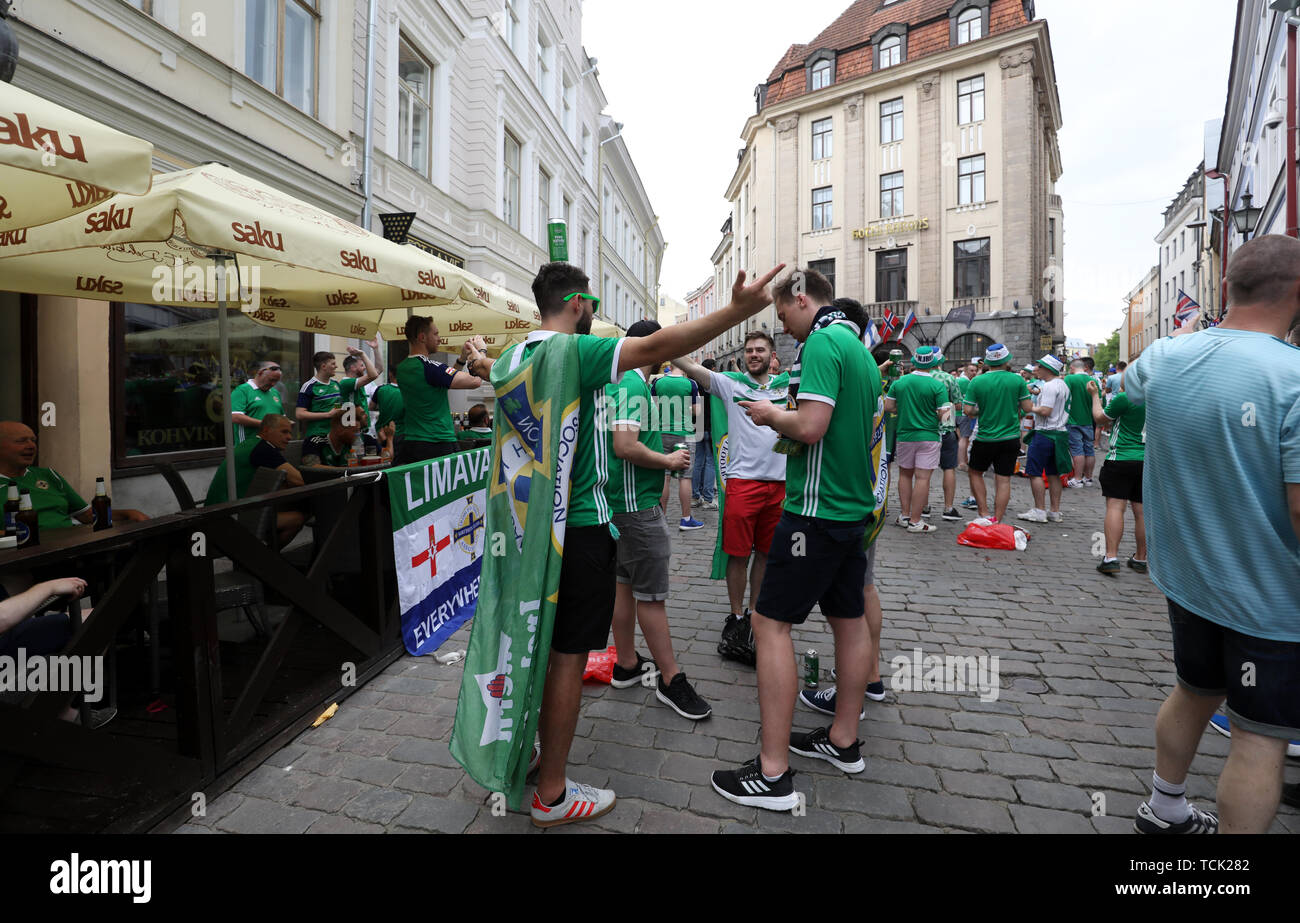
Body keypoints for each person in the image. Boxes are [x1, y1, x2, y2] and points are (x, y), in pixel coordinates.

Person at [459, 260, 785, 828]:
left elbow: (491, 371)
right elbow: (661, 341)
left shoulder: (515, 358)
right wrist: (737, 310)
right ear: (580, 303)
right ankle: (554, 794)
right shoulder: (574, 352)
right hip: (580, 529)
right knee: (567, 658)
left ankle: (525, 754)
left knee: (531, 644)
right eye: (592, 305)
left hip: (523, 529)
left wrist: (481, 356)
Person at [1125, 234, 1300, 835]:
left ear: (1227, 287)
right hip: (1272, 598)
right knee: (1259, 738)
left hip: (1190, 581)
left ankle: (1165, 804)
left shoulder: (1166, 358)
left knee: (1195, 690)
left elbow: (1127, 388)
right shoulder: (1293, 378)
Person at [710, 267, 880, 810]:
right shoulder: (857, 346)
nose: (784, 327)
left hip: (813, 511)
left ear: (801, 298)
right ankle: (843, 741)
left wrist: (768, 415)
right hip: (852, 511)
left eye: (782, 315)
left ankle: (773, 773)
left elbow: (810, 427)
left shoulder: (824, 344)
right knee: (849, 622)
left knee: (769, 623)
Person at [605, 320, 711, 720]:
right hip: (636, 506)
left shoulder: (619, 381)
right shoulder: (632, 385)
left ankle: (627, 665)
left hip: (619, 503)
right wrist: (667, 460)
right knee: (651, 596)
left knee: (623, 585)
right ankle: (671, 680)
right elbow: (625, 445)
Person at [673, 332, 788, 667]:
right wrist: (662, 342)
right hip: (742, 483)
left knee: (766, 553)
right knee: (737, 554)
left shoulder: (786, 387)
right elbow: (691, 367)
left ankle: (755, 611)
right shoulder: (731, 384)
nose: (754, 355)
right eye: (750, 350)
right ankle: (736, 615)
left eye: (760, 350)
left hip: (780, 485)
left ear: (772, 355)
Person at [0, 422, 148, 528]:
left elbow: (86, 515)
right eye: (21, 441)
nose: (31, 446)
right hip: (24, 554)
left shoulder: (48, 475)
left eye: (33, 440)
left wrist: (128, 513)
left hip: (70, 544)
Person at [393, 316, 484, 465]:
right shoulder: (429, 367)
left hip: (411, 442)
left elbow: (442, 382)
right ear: (422, 337)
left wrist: (461, 359)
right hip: (438, 442)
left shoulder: (402, 368)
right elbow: (476, 381)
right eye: (435, 334)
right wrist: (480, 351)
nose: (439, 339)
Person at [204, 414, 306, 546]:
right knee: (297, 519)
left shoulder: (250, 443)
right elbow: (299, 481)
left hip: (215, 512)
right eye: (284, 432)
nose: (289, 437)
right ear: (266, 430)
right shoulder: (264, 449)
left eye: (290, 433)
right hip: (229, 517)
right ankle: (267, 559)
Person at [961, 345, 1032, 523]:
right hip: (1010, 438)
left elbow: (968, 410)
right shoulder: (1018, 381)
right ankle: (997, 519)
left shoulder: (977, 381)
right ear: (1006, 360)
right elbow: (1027, 409)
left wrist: (982, 411)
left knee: (975, 473)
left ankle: (983, 513)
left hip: (985, 437)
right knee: (1003, 479)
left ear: (988, 361)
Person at [884, 346, 949, 533]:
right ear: (933, 363)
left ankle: (904, 516)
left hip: (904, 434)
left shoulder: (900, 382)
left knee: (904, 475)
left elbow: (888, 406)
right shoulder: (937, 385)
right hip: (928, 435)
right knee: (923, 478)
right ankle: (916, 520)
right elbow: (944, 415)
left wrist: (903, 410)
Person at [1087, 378, 1146, 575]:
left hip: (1121, 456)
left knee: (1115, 506)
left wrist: (1095, 395)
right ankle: (1140, 558)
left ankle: (1111, 557)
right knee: (1142, 512)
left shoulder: (1126, 397)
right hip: (1148, 459)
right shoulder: (1160, 397)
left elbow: (1099, 418)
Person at [1018, 355, 1070, 523]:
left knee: (1034, 472)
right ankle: (1054, 511)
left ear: (1048, 369)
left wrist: (1030, 407)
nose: (1036, 370)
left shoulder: (1049, 386)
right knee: (1054, 474)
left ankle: (1039, 511)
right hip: (1059, 433)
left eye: (1039, 367)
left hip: (1045, 433)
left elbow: (1046, 410)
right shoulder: (1062, 384)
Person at [653, 363, 703, 530]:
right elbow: (697, 412)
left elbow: (652, 408)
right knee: (685, 477)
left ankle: (662, 518)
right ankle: (686, 518)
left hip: (662, 432)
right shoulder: (691, 384)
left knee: (664, 476)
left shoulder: (658, 383)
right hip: (685, 433)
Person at [295, 347, 379, 442]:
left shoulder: (335, 384)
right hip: (317, 436)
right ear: (323, 366)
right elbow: (300, 414)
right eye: (333, 364)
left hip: (335, 436)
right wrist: (327, 414)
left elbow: (337, 404)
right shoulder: (309, 386)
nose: (336, 367)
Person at [926, 350, 966, 521]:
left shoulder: (917, 377)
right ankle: (948, 508)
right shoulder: (949, 379)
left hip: (925, 430)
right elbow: (958, 405)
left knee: (923, 471)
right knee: (949, 468)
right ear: (940, 361)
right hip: (946, 427)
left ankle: (923, 507)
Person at [230, 360, 286, 444]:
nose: (273, 384)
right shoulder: (242, 390)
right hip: (249, 446)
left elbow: (281, 416)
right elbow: (235, 417)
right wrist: (265, 424)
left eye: (276, 381)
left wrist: (286, 423)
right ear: (260, 373)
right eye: (271, 380)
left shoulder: (275, 392)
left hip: (272, 445)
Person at [1062, 359, 1096, 488]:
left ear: (1072, 368)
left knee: (1077, 450)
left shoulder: (1070, 379)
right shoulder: (1093, 381)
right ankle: (1088, 478)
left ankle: (1077, 479)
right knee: (1089, 450)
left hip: (1073, 420)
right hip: (1088, 420)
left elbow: (1063, 396)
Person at [690, 359, 718, 511]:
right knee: (710, 462)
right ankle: (708, 498)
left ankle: (695, 497)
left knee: (698, 461)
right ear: (712, 368)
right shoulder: (713, 384)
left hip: (697, 426)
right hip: (711, 426)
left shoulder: (694, 383)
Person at [300, 415, 364, 469]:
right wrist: (345, 471)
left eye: (358, 431)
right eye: (354, 431)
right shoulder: (315, 442)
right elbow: (311, 467)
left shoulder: (351, 444)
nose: (357, 435)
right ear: (339, 429)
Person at [369, 380, 404, 461]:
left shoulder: (381, 389)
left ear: (390, 374)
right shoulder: (409, 390)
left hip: (382, 434)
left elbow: (371, 407)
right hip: (402, 436)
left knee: (384, 464)